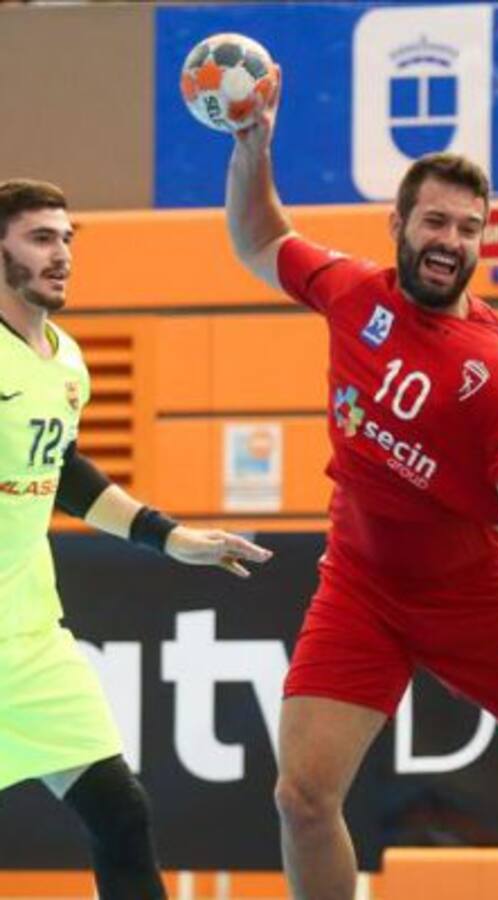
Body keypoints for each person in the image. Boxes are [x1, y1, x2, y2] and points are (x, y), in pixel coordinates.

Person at [224, 82, 498, 898]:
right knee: (302, 797)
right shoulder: (352, 294)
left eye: (469, 228)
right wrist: (251, 148)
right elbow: (256, 237)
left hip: (475, 599)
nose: (451, 241)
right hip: (362, 587)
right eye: (436, 222)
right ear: (401, 226)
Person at [0, 179, 272, 898]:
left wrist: (167, 536)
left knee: (120, 812)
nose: (61, 255)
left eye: (66, 240)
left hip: (28, 642)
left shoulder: (65, 363)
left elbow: (58, 470)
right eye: (39, 238)